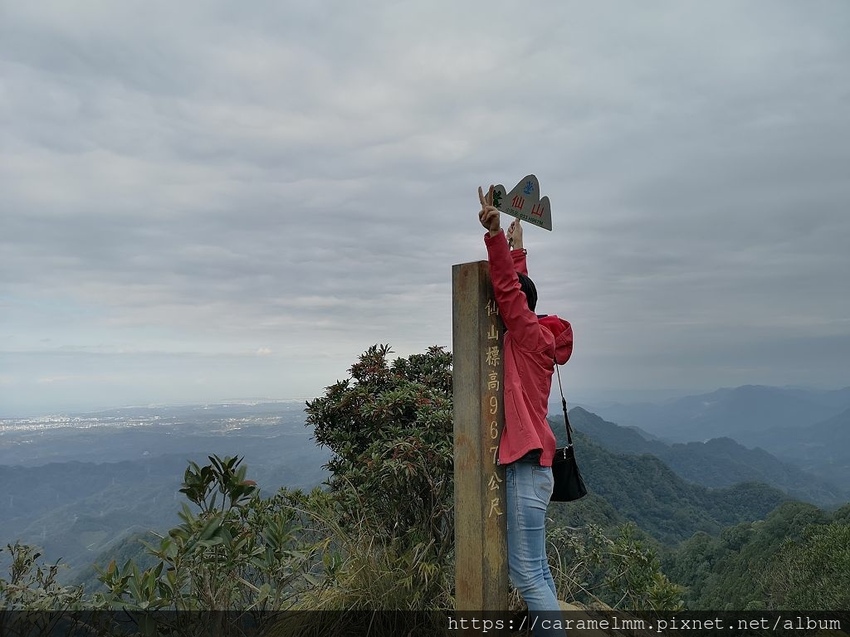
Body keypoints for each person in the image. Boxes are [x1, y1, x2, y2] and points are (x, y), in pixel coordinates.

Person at [478, 185, 573, 635]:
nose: (506, 310)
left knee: (526, 575)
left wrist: (495, 236)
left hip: (527, 466)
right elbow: (520, 294)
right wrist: (519, 250)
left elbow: (509, 293)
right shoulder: (538, 336)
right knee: (539, 570)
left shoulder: (524, 334)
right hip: (540, 470)